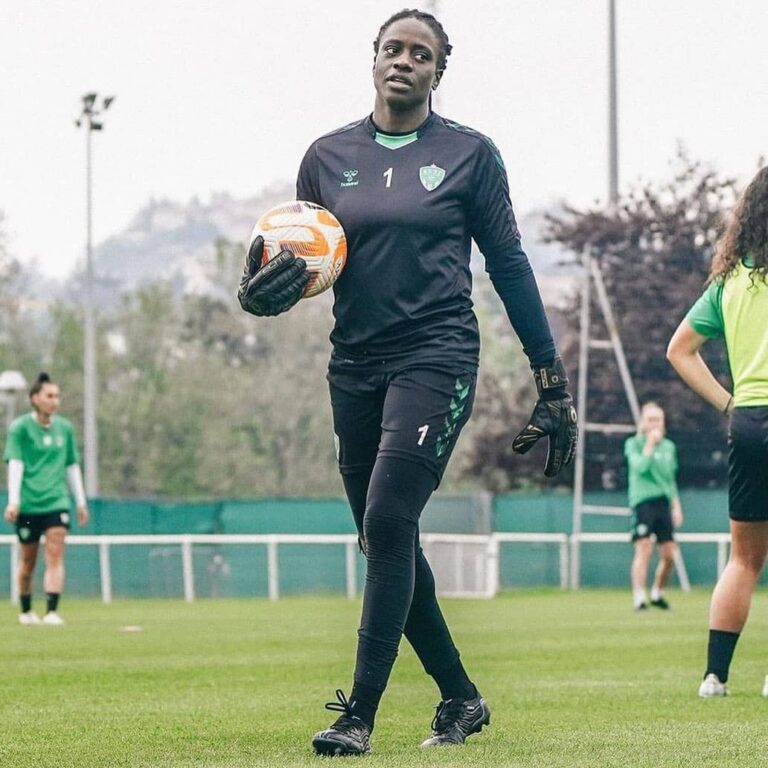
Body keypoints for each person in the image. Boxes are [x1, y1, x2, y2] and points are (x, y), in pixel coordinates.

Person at [238, 8, 577, 754]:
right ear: (373, 60)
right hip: (355, 364)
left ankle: (358, 713)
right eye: (392, 48)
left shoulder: (469, 155)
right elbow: (295, 262)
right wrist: (257, 289)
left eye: (419, 53)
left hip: (438, 356)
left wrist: (551, 382)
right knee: (382, 536)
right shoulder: (327, 156)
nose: (403, 61)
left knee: (389, 523)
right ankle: (460, 698)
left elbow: (511, 266)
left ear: (437, 71)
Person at [667, 165, 768, 698]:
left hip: (749, 422)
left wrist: (729, 403)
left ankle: (714, 677)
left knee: (744, 558)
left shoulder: (730, 283)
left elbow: (678, 350)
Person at [3, 372, 89, 626]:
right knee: (28, 560)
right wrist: (14, 500)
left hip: (56, 502)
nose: (55, 401)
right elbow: (15, 464)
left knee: (55, 554)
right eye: (49, 396)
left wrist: (80, 501)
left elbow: (71, 466)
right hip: (28, 507)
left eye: (57, 396)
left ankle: (52, 611)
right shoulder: (20, 428)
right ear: (35, 399)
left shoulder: (65, 429)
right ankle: (26, 609)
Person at [625, 402, 683, 611]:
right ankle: (639, 598)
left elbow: (670, 480)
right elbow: (639, 467)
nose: (654, 424)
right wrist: (649, 445)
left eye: (657, 419)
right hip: (643, 502)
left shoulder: (669, 447)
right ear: (643, 422)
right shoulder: (634, 444)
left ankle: (657, 593)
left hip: (663, 502)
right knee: (644, 550)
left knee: (669, 554)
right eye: (650, 419)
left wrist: (676, 506)